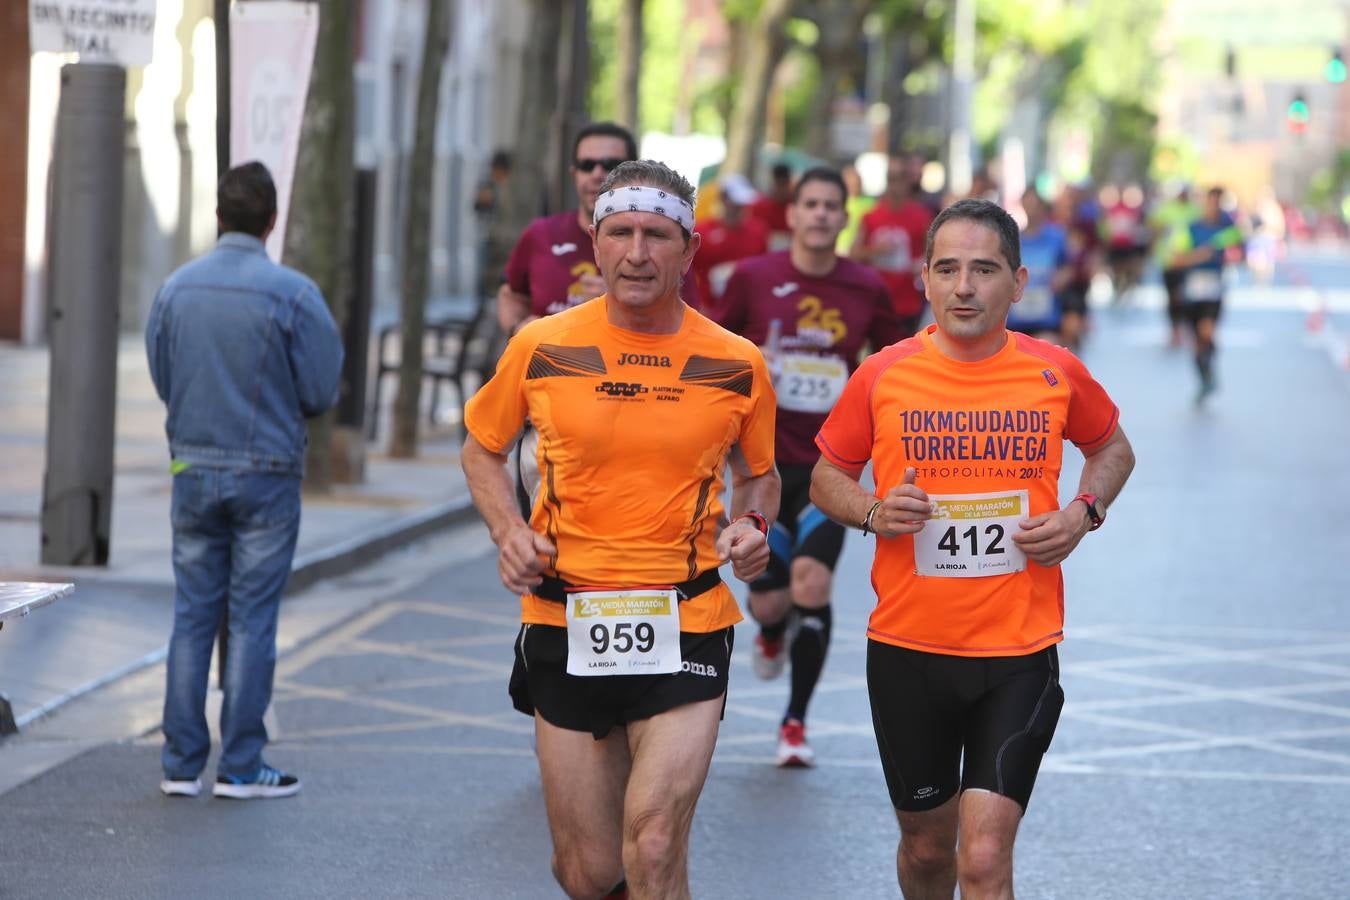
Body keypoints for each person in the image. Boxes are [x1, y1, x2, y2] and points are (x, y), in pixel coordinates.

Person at [461, 159, 781, 899]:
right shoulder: (541, 345)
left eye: (658, 236)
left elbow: (759, 473)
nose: (639, 253)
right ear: (597, 244)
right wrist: (508, 530)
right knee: (589, 872)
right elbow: (483, 447)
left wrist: (752, 523)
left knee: (657, 839)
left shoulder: (736, 363)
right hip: (565, 613)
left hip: (688, 613)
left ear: (689, 251)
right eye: (623, 233)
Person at [810, 198, 1135, 898]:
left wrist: (1083, 514)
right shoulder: (884, 374)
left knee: (983, 859)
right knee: (928, 850)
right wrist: (871, 510)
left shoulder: (1055, 372)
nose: (965, 286)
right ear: (924, 279)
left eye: (984, 270)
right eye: (949, 269)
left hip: (1017, 654)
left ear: (1018, 283)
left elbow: (1112, 450)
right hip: (908, 651)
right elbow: (825, 478)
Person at [147, 161, 344, 800]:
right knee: (254, 619)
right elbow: (319, 388)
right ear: (271, 220)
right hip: (267, 473)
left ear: (217, 216)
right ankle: (240, 765)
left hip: (194, 467)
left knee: (191, 616)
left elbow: (162, 372)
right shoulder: (292, 293)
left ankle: (180, 765)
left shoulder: (176, 288)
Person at [713, 166, 904, 767]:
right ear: (790, 215)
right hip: (760, 466)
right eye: (810, 204)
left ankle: (794, 724)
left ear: (844, 218)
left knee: (812, 583)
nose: (820, 214)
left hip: (829, 467)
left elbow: (892, 366)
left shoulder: (865, 287)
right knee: (769, 602)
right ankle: (770, 630)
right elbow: (709, 350)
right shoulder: (753, 278)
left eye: (831, 206)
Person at [496, 122, 639, 337]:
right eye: (587, 165)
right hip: (547, 369)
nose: (597, 174)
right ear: (574, 174)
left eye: (610, 165)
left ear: (636, 176)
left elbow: (684, 320)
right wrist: (518, 330)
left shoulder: (659, 243)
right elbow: (510, 296)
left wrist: (622, 306)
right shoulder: (540, 234)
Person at [1166, 186, 1244, 402]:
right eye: (1211, 202)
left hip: (1214, 288)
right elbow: (1176, 259)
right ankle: (1205, 378)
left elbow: (1240, 243)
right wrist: (1200, 256)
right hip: (1192, 289)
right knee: (1196, 341)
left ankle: (1209, 370)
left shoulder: (1227, 226)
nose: (1214, 207)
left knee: (1207, 331)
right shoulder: (1190, 228)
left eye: (1218, 203)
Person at [851, 154, 934, 338]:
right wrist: (875, 251)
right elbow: (853, 254)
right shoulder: (870, 216)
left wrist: (919, 265)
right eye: (890, 178)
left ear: (907, 180)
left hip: (908, 303)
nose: (894, 184)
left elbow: (934, 253)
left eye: (899, 177)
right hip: (875, 301)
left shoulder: (921, 216)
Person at [691, 173, 771, 309]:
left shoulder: (759, 231)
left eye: (742, 203)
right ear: (723, 198)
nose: (739, 207)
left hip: (747, 308)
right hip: (710, 309)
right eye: (735, 202)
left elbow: (763, 270)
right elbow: (688, 273)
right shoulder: (701, 231)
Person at [1009, 188, 1074, 346]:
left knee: (1047, 353)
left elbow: (1069, 267)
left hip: (1047, 316)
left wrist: (1061, 280)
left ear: (1042, 207)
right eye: (1028, 204)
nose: (1031, 209)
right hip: (1016, 318)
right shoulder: (1012, 238)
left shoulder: (1056, 236)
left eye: (1035, 204)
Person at [1147, 184, 1200, 347]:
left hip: (1189, 261)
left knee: (1186, 296)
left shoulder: (1195, 210)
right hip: (1168, 261)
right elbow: (1153, 230)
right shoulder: (1165, 210)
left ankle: (1187, 326)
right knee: (1172, 297)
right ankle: (1175, 329)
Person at [750, 161, 795, 250]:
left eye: (784, 184)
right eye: (779, 184)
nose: (781, 189)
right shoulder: (760, 206)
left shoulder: (795, 206)